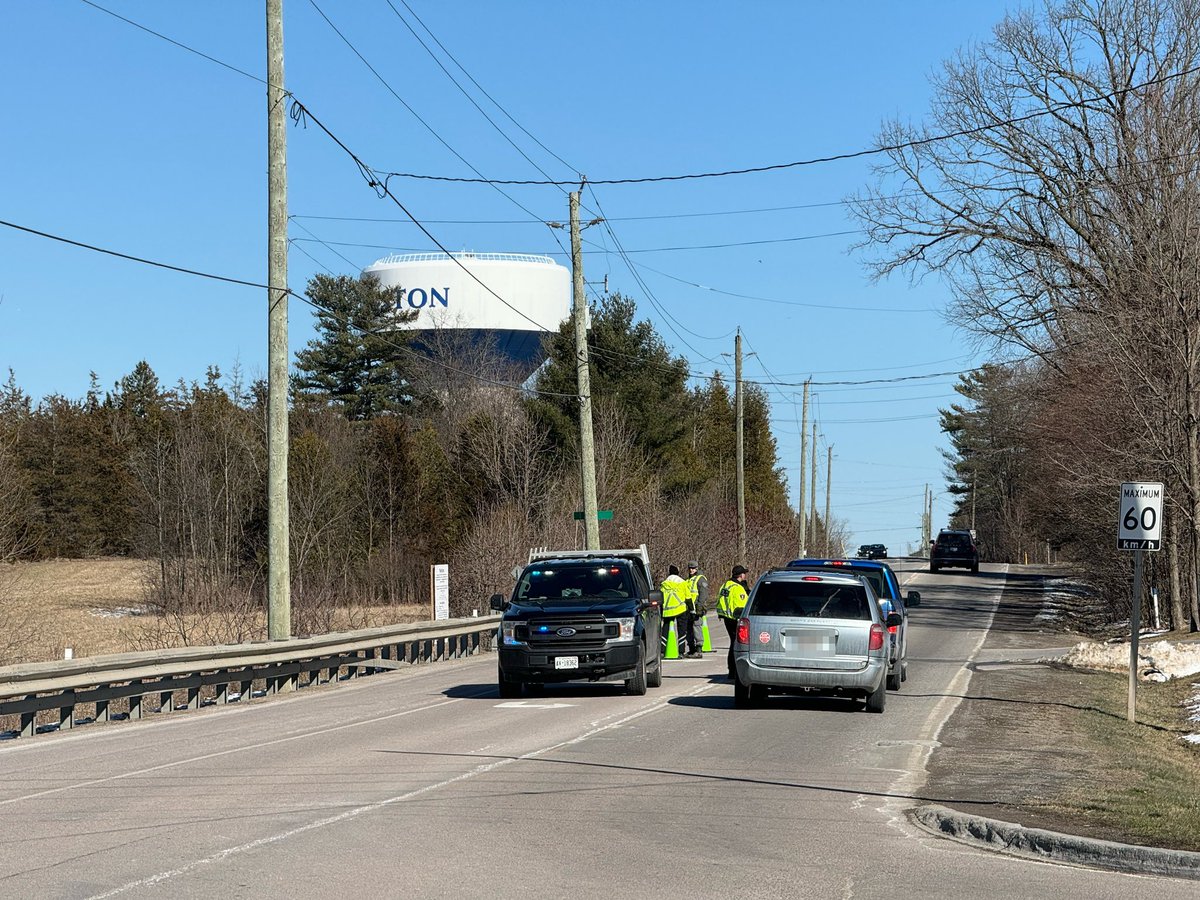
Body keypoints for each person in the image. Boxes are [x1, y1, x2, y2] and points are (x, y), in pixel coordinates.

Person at [716, 564, 751, 679]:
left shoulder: (726, 585)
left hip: (726, 618)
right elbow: (743, 606)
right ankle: (734, 670)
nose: (745, 575)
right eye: (744, 573)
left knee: (733, 643)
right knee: (736, 645)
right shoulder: (738, 588)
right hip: (735, 619)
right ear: (741, 575)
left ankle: (731, 670)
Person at [659, 564, 688, 658]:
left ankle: (662, 651)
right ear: (678, 573)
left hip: (667, 610)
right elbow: (688, 597)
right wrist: (691, 609)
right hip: (680, 609)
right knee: (682, 630)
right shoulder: (683, 583)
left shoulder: (664, 584)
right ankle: (681, 651)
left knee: (665, 630)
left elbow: (661, 598)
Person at [683, 560, 708, 659]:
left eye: (693, 568)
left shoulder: (701, 579)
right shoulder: (688, 580)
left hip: (697, 607)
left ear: (697, 568)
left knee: (696, 627)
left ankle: (698, 649)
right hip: (688, 608)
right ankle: (691, 649)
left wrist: (699, 608)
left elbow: (703, 594)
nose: (691, 570)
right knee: (689, 629)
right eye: (690, 568)